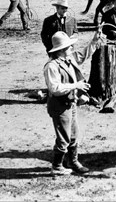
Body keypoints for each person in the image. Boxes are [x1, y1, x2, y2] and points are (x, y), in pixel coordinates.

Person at [43, 31, 90, 175]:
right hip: (60, 106)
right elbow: (55, 88)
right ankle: (57, 166)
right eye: (70, 46)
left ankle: (73, 161)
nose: (72, 49)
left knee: (74, 135)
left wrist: (95, 40)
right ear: (62, 50)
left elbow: (84, 54)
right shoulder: (51, 66)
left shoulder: (68, 60)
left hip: (71, 103)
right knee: (64, 139)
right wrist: (76, 86)